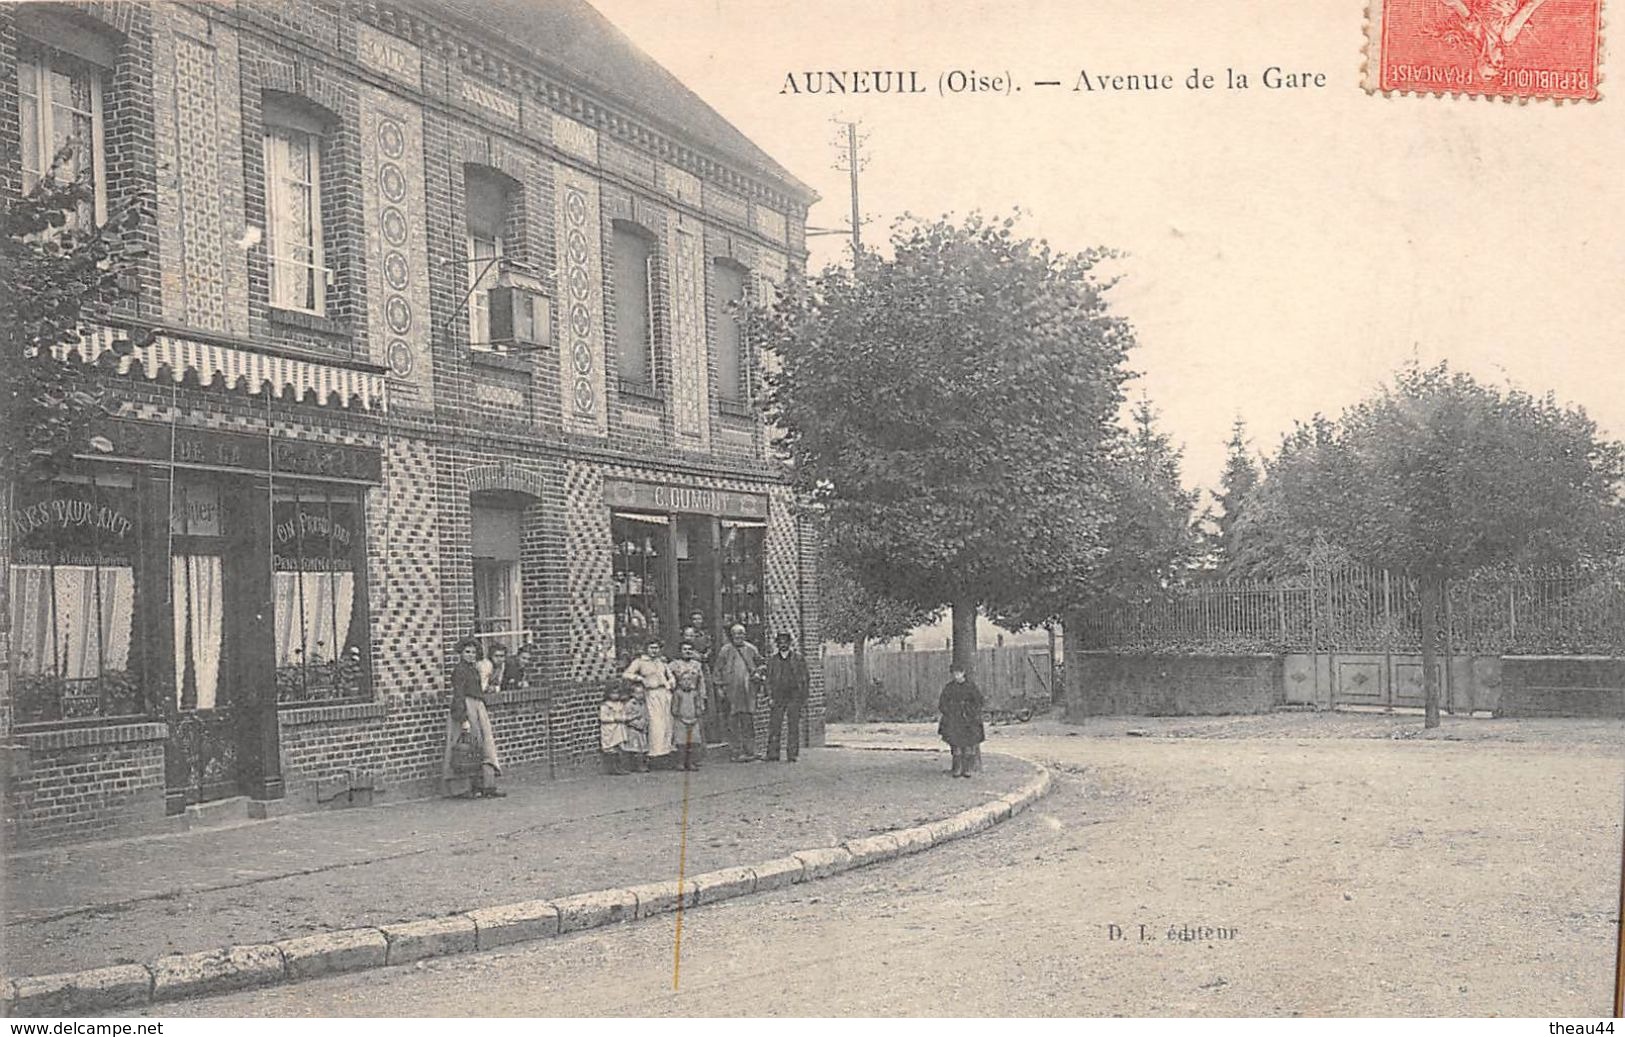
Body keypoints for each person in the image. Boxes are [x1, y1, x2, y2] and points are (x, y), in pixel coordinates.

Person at [445, 637, 505, 797]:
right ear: (461, 653)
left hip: (478, 708)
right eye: (467, 652)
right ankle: (461, 788)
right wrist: (463, 719)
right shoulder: (459, 671)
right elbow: (458, 694)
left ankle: (485, 785)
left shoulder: (473, 669)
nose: (471, 655)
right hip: (466, 708)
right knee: (464, 747)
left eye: (473, 652)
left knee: (482, 745)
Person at [713, 624, 764, 761]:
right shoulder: (725, 650)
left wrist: (758, 673)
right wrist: (719, 687)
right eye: (736, 634)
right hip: (731, 692)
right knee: (733, 722)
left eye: (741, 634)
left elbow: (761, 663)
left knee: (748, 721)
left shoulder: (751, 649)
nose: (739, 636)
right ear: (732, 635)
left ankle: (750, 750)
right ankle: (736, 751)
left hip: (747, 692)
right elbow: (718, 669)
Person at [623, 640, 675, 768]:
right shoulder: (640, 662)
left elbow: (670, 676)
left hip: (664, 695)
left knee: (667, 725)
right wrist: (640, 679)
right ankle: (653, 755)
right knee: (655, 724)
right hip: (651, 695)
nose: (654, 651)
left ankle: (665, 754)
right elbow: (627, 674)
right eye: (651, 648)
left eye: (656, 648)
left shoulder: (661, 662)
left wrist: (671, 682)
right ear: (646, 648)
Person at [764, 632, 809, 763]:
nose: (783, 644)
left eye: (785, 642)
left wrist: (803, 697)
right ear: (777, 644)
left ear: (789, 644)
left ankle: (792, 754)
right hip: (778, 696)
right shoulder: (772, 660)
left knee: (793, 725)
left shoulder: (798, 659)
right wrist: (769, 696)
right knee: (775, 725)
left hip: (794, 695)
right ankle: (773, 753)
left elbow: (805, 678)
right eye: (780, 642)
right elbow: (768, 679)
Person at [937, 664, 985, 779]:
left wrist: (970, 711)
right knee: (955, 744)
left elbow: (979, 701)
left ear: (963, 673)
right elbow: (942, 703)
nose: (956, 676)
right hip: (954, 719)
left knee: (968, 744)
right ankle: (957, 768)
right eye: (954, 673)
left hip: (968, 719)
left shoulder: (970, 687)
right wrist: (949, 711)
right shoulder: (949, 688)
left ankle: (967, 768)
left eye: (958, 673)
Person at [669, 640, 708, 771]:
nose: (687, 651)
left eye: (690, 649)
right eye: (685, 649)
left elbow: (701, 682)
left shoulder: (697, 665)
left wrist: (702, 699)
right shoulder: (674, 665)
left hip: (693, 699)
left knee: (695, 738)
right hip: (680, 705)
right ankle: (680, 762)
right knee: (681, 739)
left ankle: (694, 761)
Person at [599, 684, 628, 774]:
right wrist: (613, 719)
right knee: (611, 747)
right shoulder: (605, 706)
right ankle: (613, 768)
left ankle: (620, 766)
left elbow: (624, 714)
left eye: (617, 693)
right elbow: (602, 717)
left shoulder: (620, 704)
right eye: (613, 693)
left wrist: (623, 718)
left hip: (619, 728)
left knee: (619, 746)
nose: (615, 696)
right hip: (610, 728)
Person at [622, 686, 649, 772]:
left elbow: (646, 715)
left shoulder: (643, 704)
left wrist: (645, 723)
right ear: (633, 694)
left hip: (642, 729)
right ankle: (630, 766)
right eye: (638, 693)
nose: (640, 695)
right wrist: (635, 724)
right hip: (633, 730)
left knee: (642, 749)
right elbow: (626, 717)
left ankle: (641, 765)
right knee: (633, 748)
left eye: (641, 693)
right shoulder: (630, 704)